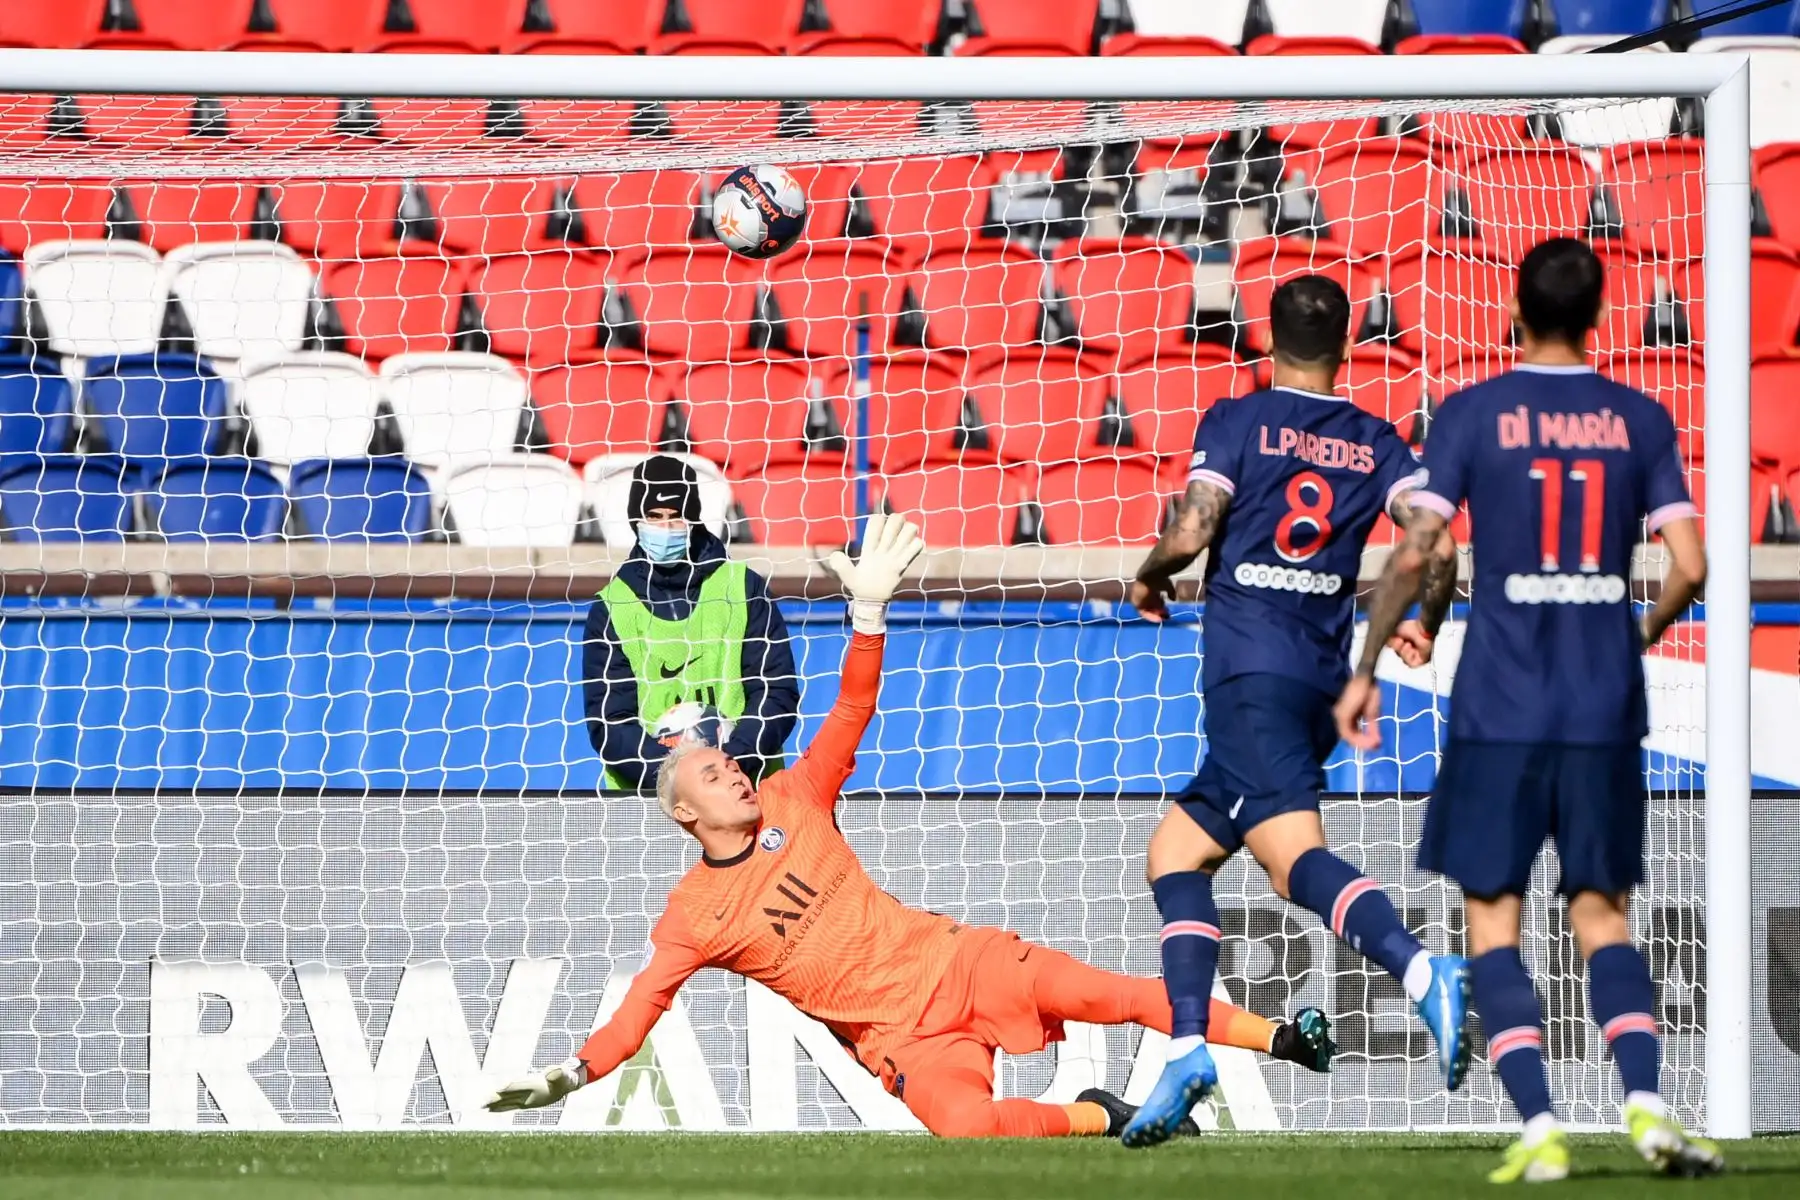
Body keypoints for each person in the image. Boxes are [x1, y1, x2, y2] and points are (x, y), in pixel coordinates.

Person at [492, 514, 1336, 1138]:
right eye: (714, 772)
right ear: (685, 811)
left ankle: (1285, 1039)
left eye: (733, 761)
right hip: (900, 1038)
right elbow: (643, 1007)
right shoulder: (691, 918)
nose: (735, 769)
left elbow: (852, 709)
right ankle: (1098, 1118)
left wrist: (867, 615)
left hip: (957, 962)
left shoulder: (796, 796)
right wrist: (572, 1073)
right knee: (966, 1131)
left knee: (1108, 994)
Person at [1338, 238, 1719, 1183]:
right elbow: (1694, 566)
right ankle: (1646, 1105)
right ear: (1603, 317)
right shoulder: (1639, 417)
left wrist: (1365, 663)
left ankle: (1542, 1125)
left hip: (1500, 707)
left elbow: (1421, 547)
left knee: (1492, 922)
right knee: (1602, 916)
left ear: (1513, 310)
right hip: (1599, 704)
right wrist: (1634, 633)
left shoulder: (1472, 414)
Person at [1119, 274, 1470, 1148]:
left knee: (1290, 861)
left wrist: (1152, 572)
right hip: (1316, 679)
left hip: (1248, 672)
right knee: (1177, 854)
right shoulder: (1377, 441)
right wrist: (1426, 621)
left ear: (1262, 340)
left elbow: (1197, 526)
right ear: (1348, 346)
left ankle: (1424, 970)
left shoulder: (1236, 420)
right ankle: (1191, 1047)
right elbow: (1439, 542)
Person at [583, 455, 799, 792]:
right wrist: (681, 781)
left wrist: (729, 766)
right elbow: (611, 723)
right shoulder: (612, 607)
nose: (665, 528)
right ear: (636, 522)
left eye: (676, 517)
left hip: (747, 786)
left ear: (694, 520)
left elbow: (776, 692)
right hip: (650, 802)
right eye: (653, 517)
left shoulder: (743, 587)